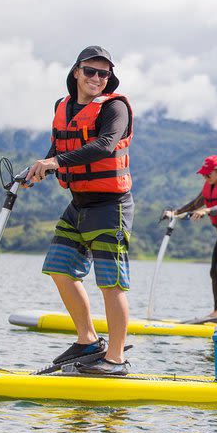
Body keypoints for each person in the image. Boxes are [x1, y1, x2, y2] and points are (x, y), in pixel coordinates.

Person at [25, 45, 134, 375]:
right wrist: (38, 170)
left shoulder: (115, 108)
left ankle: (115, 359)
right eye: (91, 71)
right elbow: (60, 146)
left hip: (110, 206)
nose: (97, 78)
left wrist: (55, 161)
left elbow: (103, 145)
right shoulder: (63, 106)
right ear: (76, 72)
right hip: (79, 205)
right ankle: (87, 341)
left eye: (104, 74)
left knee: (110, 283)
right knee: (59, 268)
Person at [166, 155, 217, 319]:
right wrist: (175, 213)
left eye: (208, 174)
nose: (205, 177)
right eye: (203, 174)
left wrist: (206, 211)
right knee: (213, 272)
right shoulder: (208, 186)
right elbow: (195, 204)